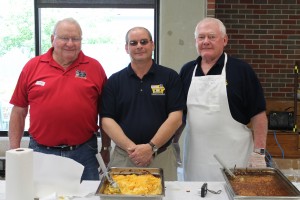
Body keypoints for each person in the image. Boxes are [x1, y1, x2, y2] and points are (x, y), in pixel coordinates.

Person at [8, 17, 108, 181]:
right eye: (64, 38)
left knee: (88, 196)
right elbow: (19, 111)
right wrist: (14, 150)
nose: (70, 43)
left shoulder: (94, 67)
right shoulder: (32, 66)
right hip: (41, 152)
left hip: (84, 153)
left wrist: (105, 147)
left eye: (75, 39)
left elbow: (105, 114)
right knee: (40, 196)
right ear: (53, 39)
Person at [179, 17, 268, 181]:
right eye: (201, 37)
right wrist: (172, 144)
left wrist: (259, 153)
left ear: (224, 40)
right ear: (195, 41)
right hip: (196, 162)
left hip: (235, 159)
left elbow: (258, 114)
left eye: (211, 37)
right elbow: (179, 115)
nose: (206, 41)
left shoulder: (241, 70)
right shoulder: (186, 71)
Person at [100, 27, 185, 181]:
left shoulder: (170, 77)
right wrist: (132, 149)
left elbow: (176, 117)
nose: (139, 46)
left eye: (144, 42)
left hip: (161, 157)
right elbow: (107, 120)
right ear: (127, 48)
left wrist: (151, 147)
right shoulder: (114, 81)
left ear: (152, 45)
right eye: (133, 43)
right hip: (125, 158)